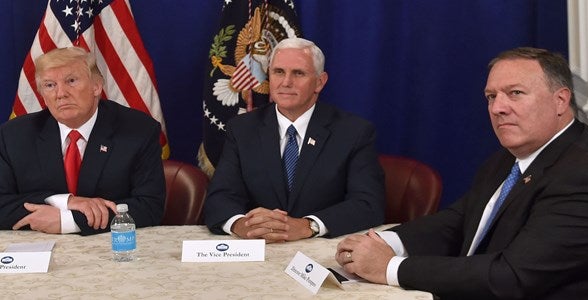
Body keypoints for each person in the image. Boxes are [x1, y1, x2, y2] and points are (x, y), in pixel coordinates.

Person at [335, 47, 588, 299]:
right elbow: (459, 221)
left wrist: (390, 268)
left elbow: (511, 276)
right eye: (491, 96)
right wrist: (383, 241)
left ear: (560, 100)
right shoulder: (508, 157)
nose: (498, 108)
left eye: (515, 93)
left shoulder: (586, 173)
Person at [203, 37, 385, 242]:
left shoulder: (353, 132)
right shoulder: (242, 128)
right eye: (278, 72)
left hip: (322, 252)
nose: (286, 82)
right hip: (261, 248)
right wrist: (241, 225)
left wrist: (310, 225)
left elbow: (368, 203)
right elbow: (220, 197)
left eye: (298, 73)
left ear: (319, 82)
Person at [0, 47, 165, 236]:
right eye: (50, 85)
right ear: (42, 95)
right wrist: (66, 202)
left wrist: (69, 221)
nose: (60, 93)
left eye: (71, 81)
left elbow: (149, 207)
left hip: (111, 250)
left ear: (96, 86)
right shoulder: (14, 135)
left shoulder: (138, 131)